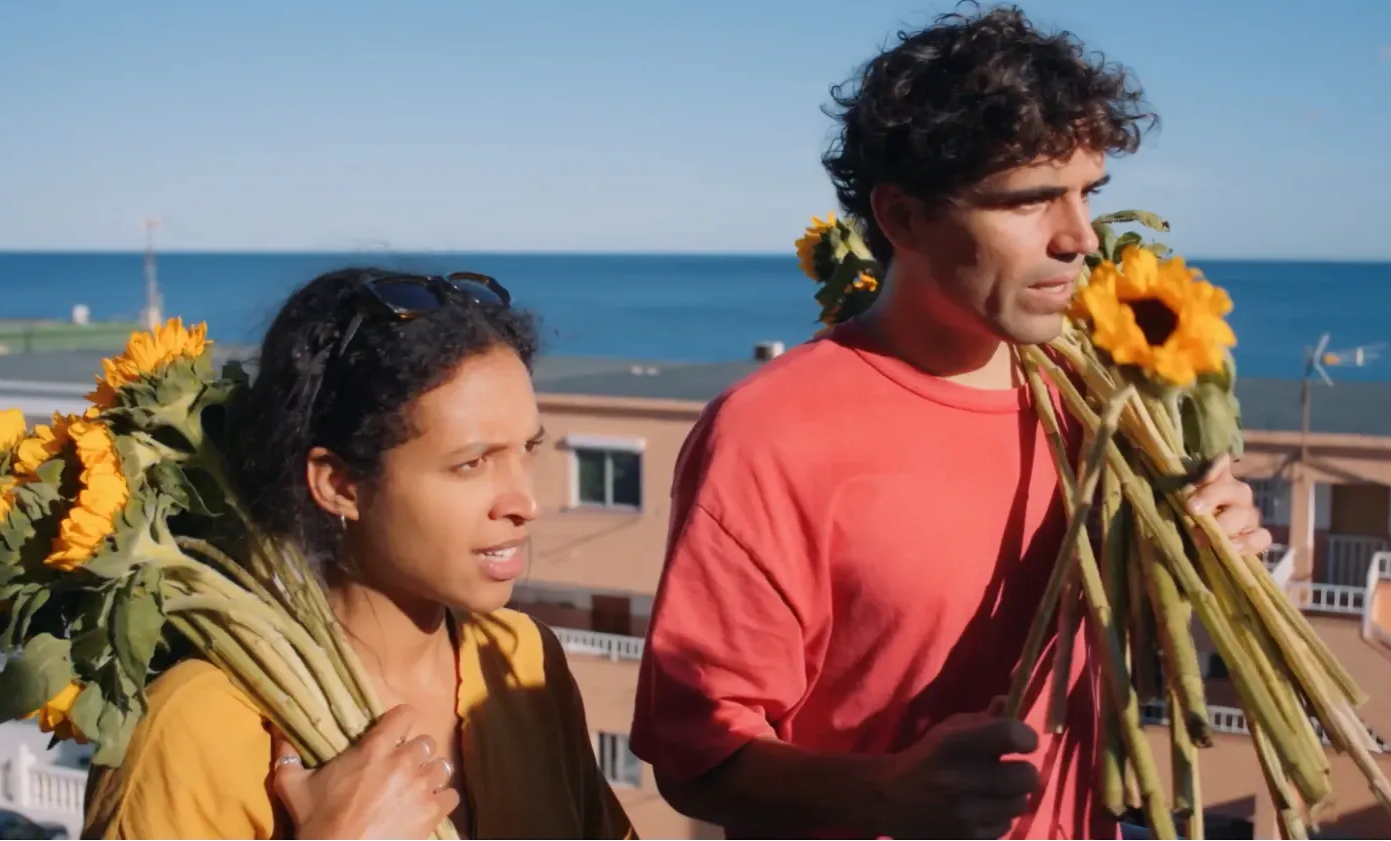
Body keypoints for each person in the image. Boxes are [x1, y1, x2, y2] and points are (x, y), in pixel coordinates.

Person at [628, 6, 1271, 840]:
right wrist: (885, 795)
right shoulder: (769, 434)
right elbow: (693, 761)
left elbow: (1117, 655)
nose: (1079, 237)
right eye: (1031, 200)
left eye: (1088, 193)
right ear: (902, 218)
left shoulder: (1099, 400)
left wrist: (1200, 564)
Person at [82, 269, 636, 840]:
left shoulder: (519, 659)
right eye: (472, 464)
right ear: (338, 485)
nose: (526, 504)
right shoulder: (192, 728)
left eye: (528, 449)